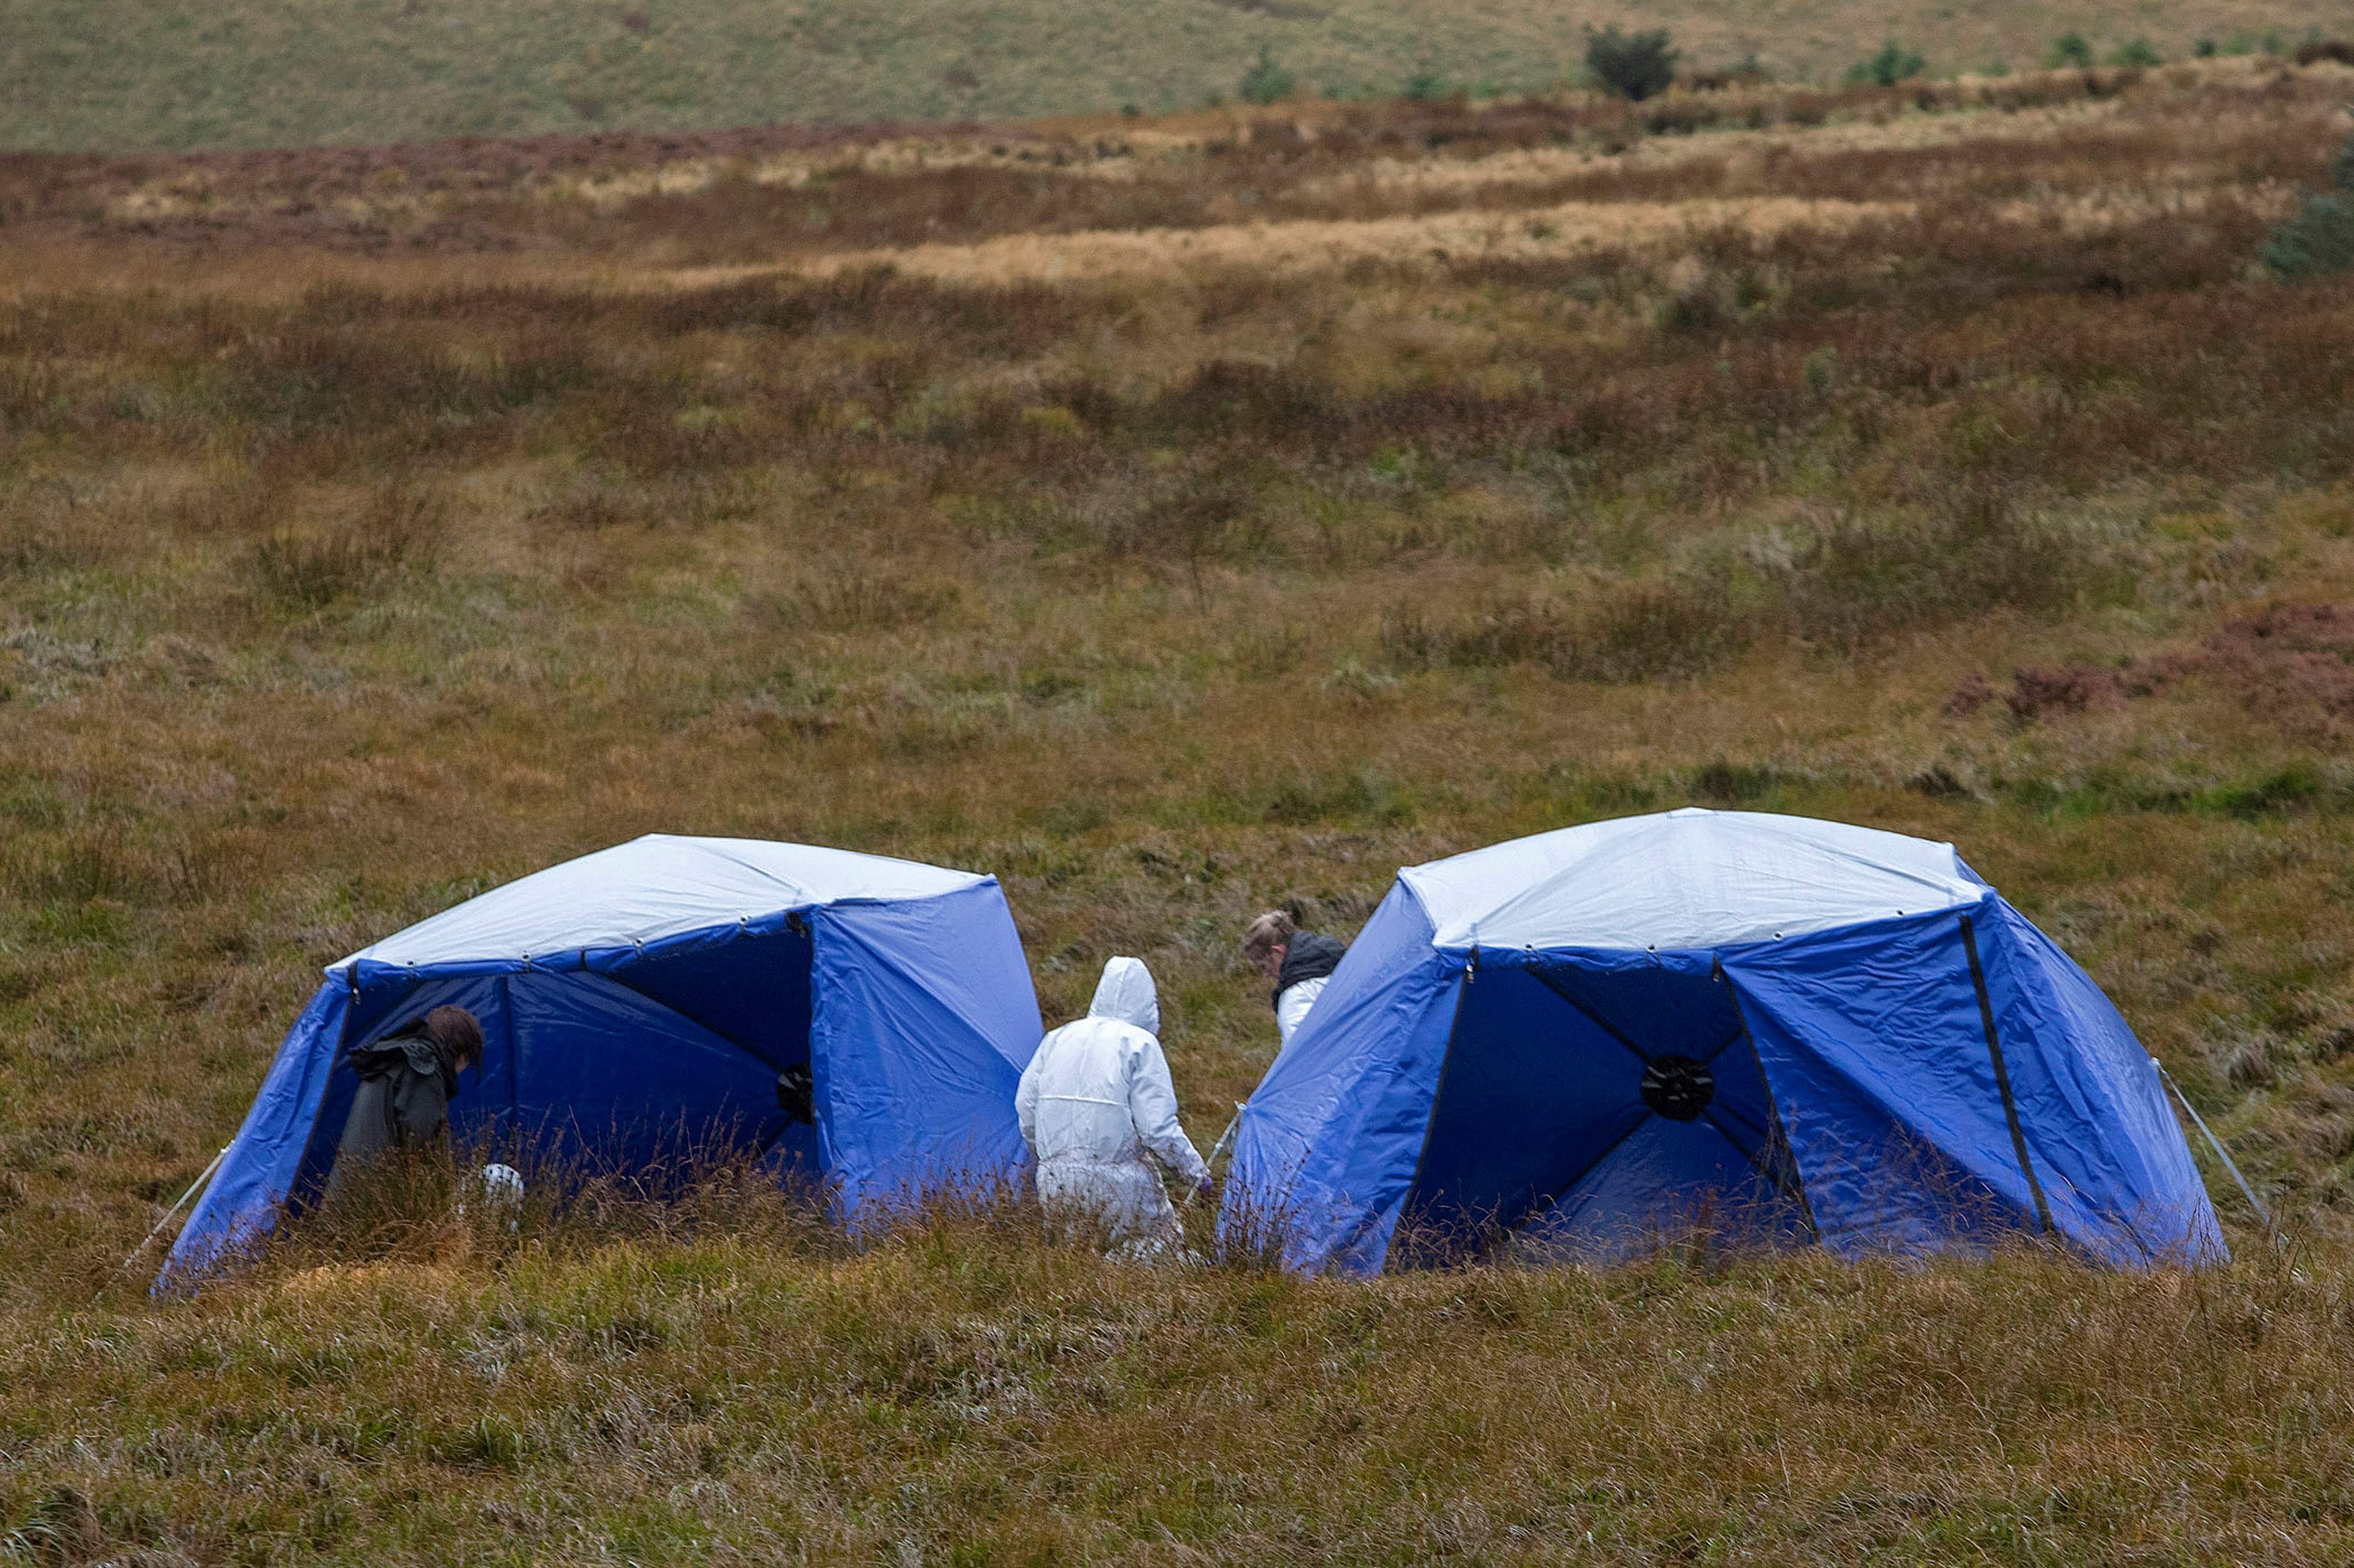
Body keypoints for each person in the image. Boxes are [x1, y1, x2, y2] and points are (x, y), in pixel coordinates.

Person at [1016, 957, 1210, 1258]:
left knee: (1075, 1261)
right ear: (1148, 1003)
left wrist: (1049, 1156)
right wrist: (1197, 1174)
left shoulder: (1058, 1038)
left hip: (1055, 1183)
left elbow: (1026, 1108)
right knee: (1155, 1255)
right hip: (1121, 1185)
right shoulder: (1140, 1044)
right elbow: (1157, 1129)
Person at [324, 1005, 484, 1201]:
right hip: (374, 1202)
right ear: (462, 1052)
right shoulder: (423, 1069)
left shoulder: (397, 1060)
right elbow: (422, 1148)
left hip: (349, 1199)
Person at [1242, 910, 1345, 1047]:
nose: (1266, 975)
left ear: (1277, 951)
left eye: (1264, 967)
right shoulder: (1344, 960)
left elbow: (1302, 1058)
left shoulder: (1296, 1000)